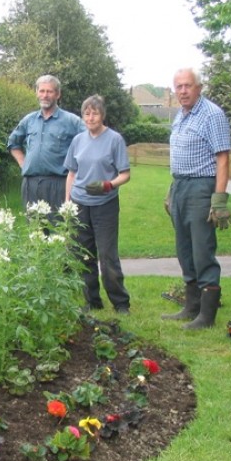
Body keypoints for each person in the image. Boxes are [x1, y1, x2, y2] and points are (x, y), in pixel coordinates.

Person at [163, 68, 231, 329]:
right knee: (184, 249)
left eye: (187, 86)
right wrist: (172, 192)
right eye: (178, 86)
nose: (182, 91)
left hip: (202, 188)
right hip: (180, 186)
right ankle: (191, 306)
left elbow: (223, 157)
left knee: (202, 249)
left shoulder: (212, 115)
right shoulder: (180, 116)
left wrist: (219, 199)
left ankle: (206, 316)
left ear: (199, 87)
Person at [64, 95, 131, 314]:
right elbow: (71, 173)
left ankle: (120, 302)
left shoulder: (115, 140)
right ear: (82, 116)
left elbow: (125, 174)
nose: (90, 117)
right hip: (80, 203)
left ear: (102, 115)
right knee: (83, 254)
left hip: (105, 204)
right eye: (87, 113)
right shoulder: (78, 140)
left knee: (107, 255)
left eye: (95, 113)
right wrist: (68, 205)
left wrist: (108, 185)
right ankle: (91, 300)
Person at [8, 75, 85, 222]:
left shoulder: (71, 121)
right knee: (35, 231)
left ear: (58, 94)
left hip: (58, 185)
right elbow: (13, 143)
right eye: (42, 91)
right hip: (31, 185)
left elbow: (89, 141)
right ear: (36, 92)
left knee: (59, 230)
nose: (45, 95)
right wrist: (23, 164)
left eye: (49, 91)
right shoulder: (29, 120)